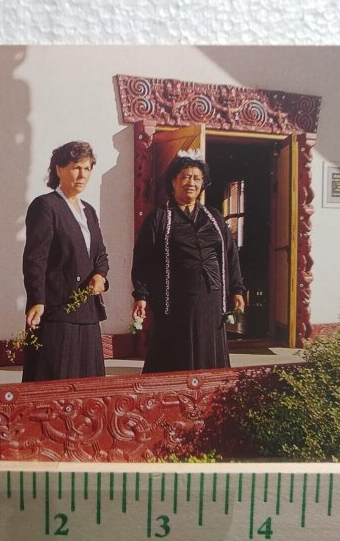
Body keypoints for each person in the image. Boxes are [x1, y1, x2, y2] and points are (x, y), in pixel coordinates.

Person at [131, 155, 245, 373]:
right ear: (173, 181)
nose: (191, 183)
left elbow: (230, 256)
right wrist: (141, 295)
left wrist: (237, 289)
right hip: (175, 300)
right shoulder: (160, 218)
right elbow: (143, 260)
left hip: (211, 298)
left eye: (197, 178)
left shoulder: (214, 216)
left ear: (203, 184)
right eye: (185, 177)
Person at [22, 141, 109, 382]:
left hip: (87, 313)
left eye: (87, 168)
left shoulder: (88, 211)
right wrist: (37, 300)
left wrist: (100, 276)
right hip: (57, 311)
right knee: (55, 383)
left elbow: (100, 254)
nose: (82, 174)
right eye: (75, 167)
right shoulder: (45, 206)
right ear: (59, 169)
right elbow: (35, 259)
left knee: (88, 387)